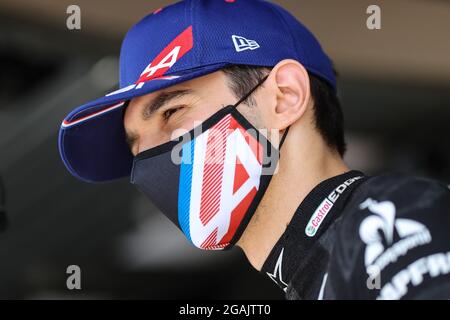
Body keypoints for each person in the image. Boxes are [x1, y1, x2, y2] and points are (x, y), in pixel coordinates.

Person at [58, 0, 450, 299]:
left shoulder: (388, 220)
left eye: (173, 112)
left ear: (284, 97)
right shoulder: (317, 272)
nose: (152, 160)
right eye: (136, 146)